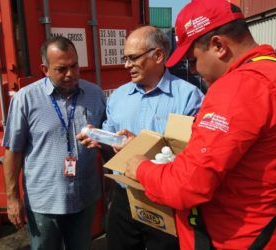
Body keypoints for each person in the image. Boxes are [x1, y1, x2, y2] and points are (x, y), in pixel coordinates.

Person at [125, 1, 276, 249]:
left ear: (219, 46)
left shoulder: (237, 87)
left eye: (192, 59)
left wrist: (141, 167)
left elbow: (185, 186)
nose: (193, 70)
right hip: (267, 231)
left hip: (231, 238)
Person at [78, 26, 204, 250]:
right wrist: (101, 141)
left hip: (165, 201)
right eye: (125, 58)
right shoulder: (118, 96)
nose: (127, 65)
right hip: (123, 198)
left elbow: (195, 155)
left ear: (158, 55)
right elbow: (112, 144)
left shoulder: (189, 96)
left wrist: (144, 148)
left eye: (133, 58)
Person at [2, 36, 106, 250]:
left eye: (74, 66)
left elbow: (107, 141)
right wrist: (12, 199)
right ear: (45, 69)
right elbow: (13, 152)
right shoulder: (26, 99)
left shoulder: (94, 94)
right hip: (44, 202)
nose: (70, 74)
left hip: (84, 198)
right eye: (61, 69)